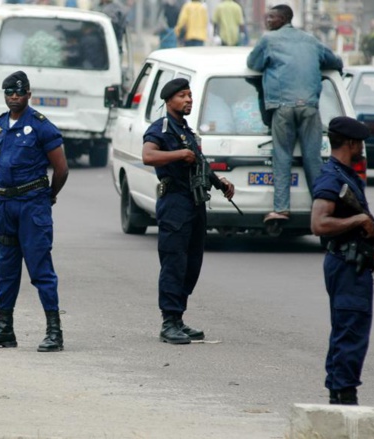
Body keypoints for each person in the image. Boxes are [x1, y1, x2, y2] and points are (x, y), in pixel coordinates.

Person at [310, 116, 374, 405]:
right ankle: (343, 399)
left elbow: (368, 226)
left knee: (349, 332)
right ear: (352, 143)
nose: (363, 149)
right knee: (350, 334)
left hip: (351, 264)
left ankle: (341, 394)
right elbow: (319, 224)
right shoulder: (332, 177)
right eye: (361, 144)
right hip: (346, 266)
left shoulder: (347, 175)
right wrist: (357, 219)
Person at [0, 71, 69, 353]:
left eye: (19, 92)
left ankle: (54, 331)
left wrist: (49, 196)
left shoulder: (41, 126)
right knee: (6, 269)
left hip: (32, 205)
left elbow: (61, 169)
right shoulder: (1, 125)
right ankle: (5, 329)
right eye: (9, 92)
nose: (14, 96)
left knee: (40, 269)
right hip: (5, 206)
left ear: (29, 94)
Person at [141, 78, 235, 345]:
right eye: (182, 96)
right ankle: (168, 322)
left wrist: (220, 183)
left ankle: (179, 318)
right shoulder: (161, 128)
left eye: (190, 96)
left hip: (195, 202)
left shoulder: (187, 131)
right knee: (174, 261)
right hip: (174, 202)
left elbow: (199, 162)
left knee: (192, 262)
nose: (188, 100)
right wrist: (179, 155)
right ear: (169, 100)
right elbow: (148, 156)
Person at [246, 4, 342, 224]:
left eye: (272, 17)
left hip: (283, 107)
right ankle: (323, 210)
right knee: (313, 159)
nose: (267, 21)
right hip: (309, 107)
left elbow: (253, 63)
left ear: (284, 19)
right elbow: (334, 62)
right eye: (267, 17)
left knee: (282, 157)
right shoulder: (311, 40)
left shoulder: (268, 41)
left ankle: (281, 209)